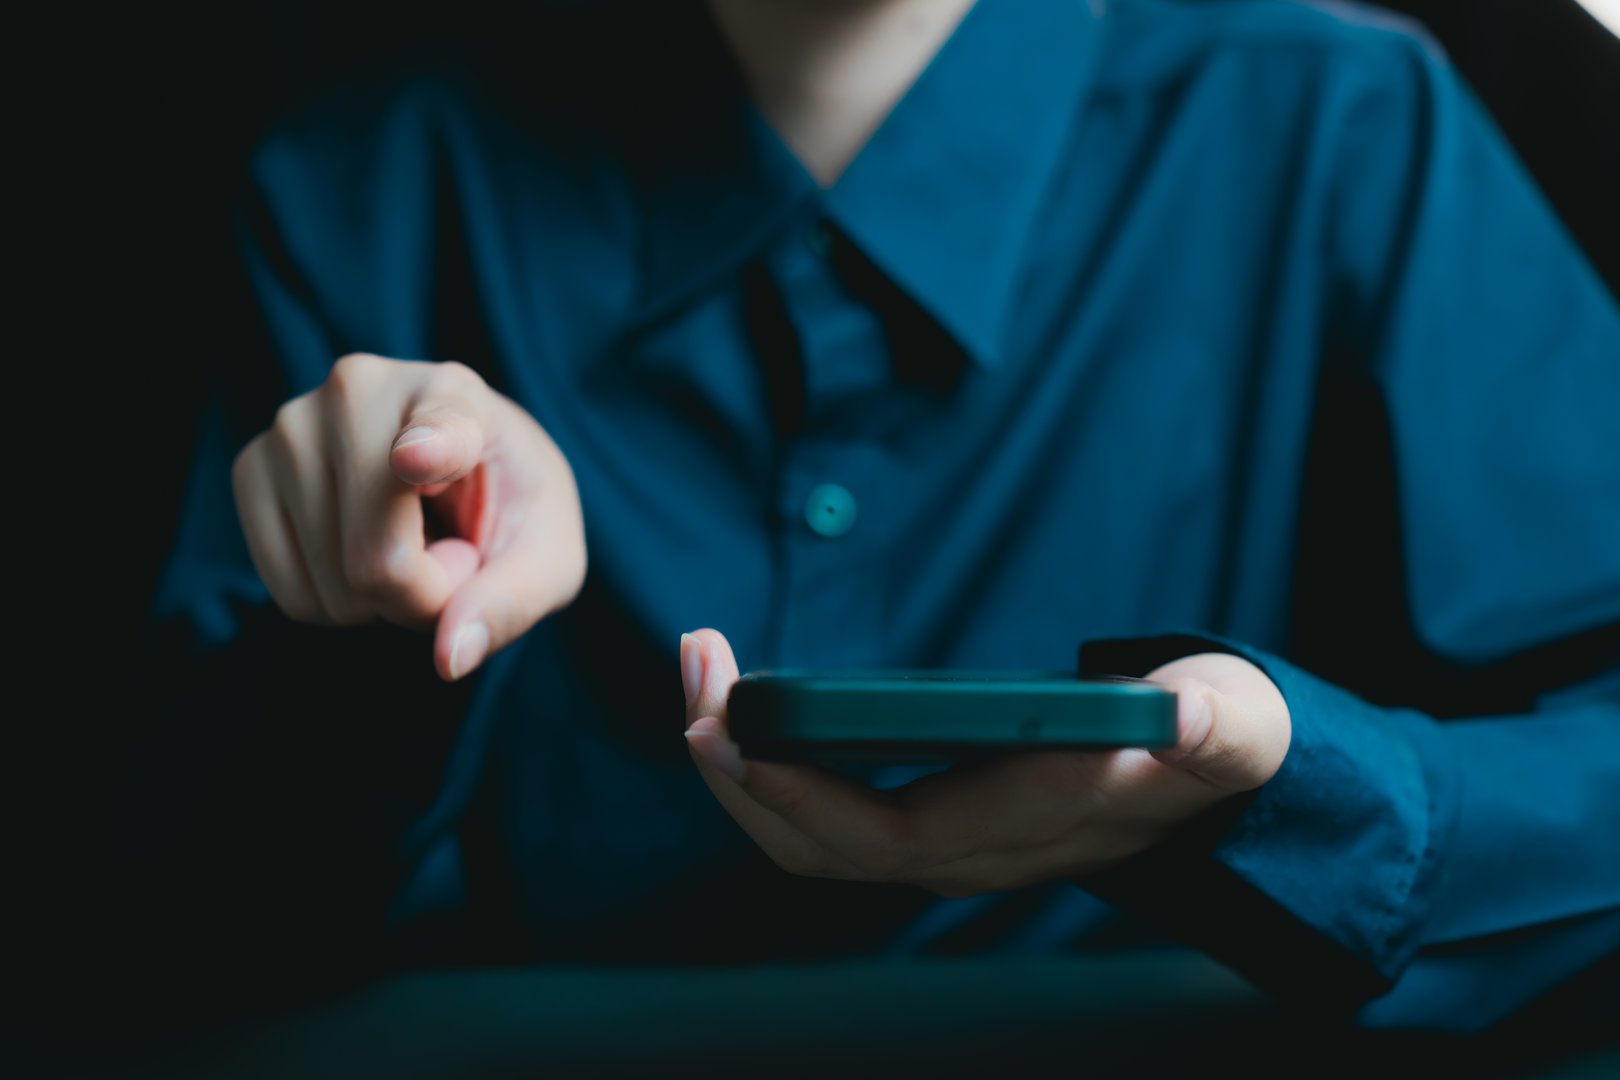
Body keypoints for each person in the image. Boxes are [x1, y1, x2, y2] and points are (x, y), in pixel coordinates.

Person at [144, 0, 1618, 1038]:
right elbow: (198, 920)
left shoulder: (1347, 124)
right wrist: (390, 598)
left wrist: (1302, 768)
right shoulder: (361, 191)